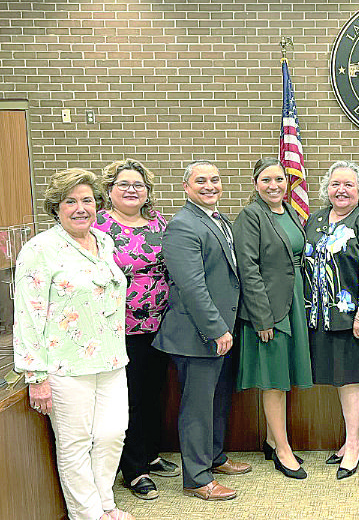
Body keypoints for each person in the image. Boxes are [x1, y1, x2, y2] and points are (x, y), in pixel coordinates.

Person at [13, 168, 132, 520]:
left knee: (113, 435)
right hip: (65, 364)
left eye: (86, 200)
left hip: (111, 360)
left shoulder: (103, 242)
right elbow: (29, 313)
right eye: (70, 201)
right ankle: (89, 514)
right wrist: (36, 375)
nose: (80, 208)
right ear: (57, 208)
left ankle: (105, 502)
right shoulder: (39, 250)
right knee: (75, 445)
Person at [153, 161, 250, 501]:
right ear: (186, 187)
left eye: (215, 179)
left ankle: (215, 457)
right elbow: (192, 286)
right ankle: (197, 478)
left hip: (222, 330)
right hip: (197, 334)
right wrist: (215, 329)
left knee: (216, 400)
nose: (210, 186)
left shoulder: (217, 220)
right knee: (197, 408)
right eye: (201, 181)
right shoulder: (182, 225)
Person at [93, 159, 179, 501]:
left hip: (160, 323)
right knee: (128, 398)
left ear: (147, 191)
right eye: (124, 184)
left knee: (153, 391)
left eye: (138, 185)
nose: (132, 190)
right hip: (119, 327)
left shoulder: (158, 222)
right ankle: (133, 469)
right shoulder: (99, 227)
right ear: (109, 190)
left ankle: (150, 453)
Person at [303, 160, 359, 480]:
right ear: (327, 188)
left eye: (349, 184)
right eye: (336, 184)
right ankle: (357, 435)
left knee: (351, 379)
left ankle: (352, 444)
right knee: (340, 379)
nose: (341, 190)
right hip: (322, 317)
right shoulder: (315, 220)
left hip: (353, 316)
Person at [234, 158, 313, 480]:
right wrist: (261, 318)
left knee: (283, 376)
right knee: (274, 380)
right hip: (269, 308)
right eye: (266, 180)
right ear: (256, 184)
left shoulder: (289, 211)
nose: (274, 185)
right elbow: (248, 270)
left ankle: (272, 439)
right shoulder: (251, 216)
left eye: (279, 179)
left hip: (292, 299)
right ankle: (282, 450)